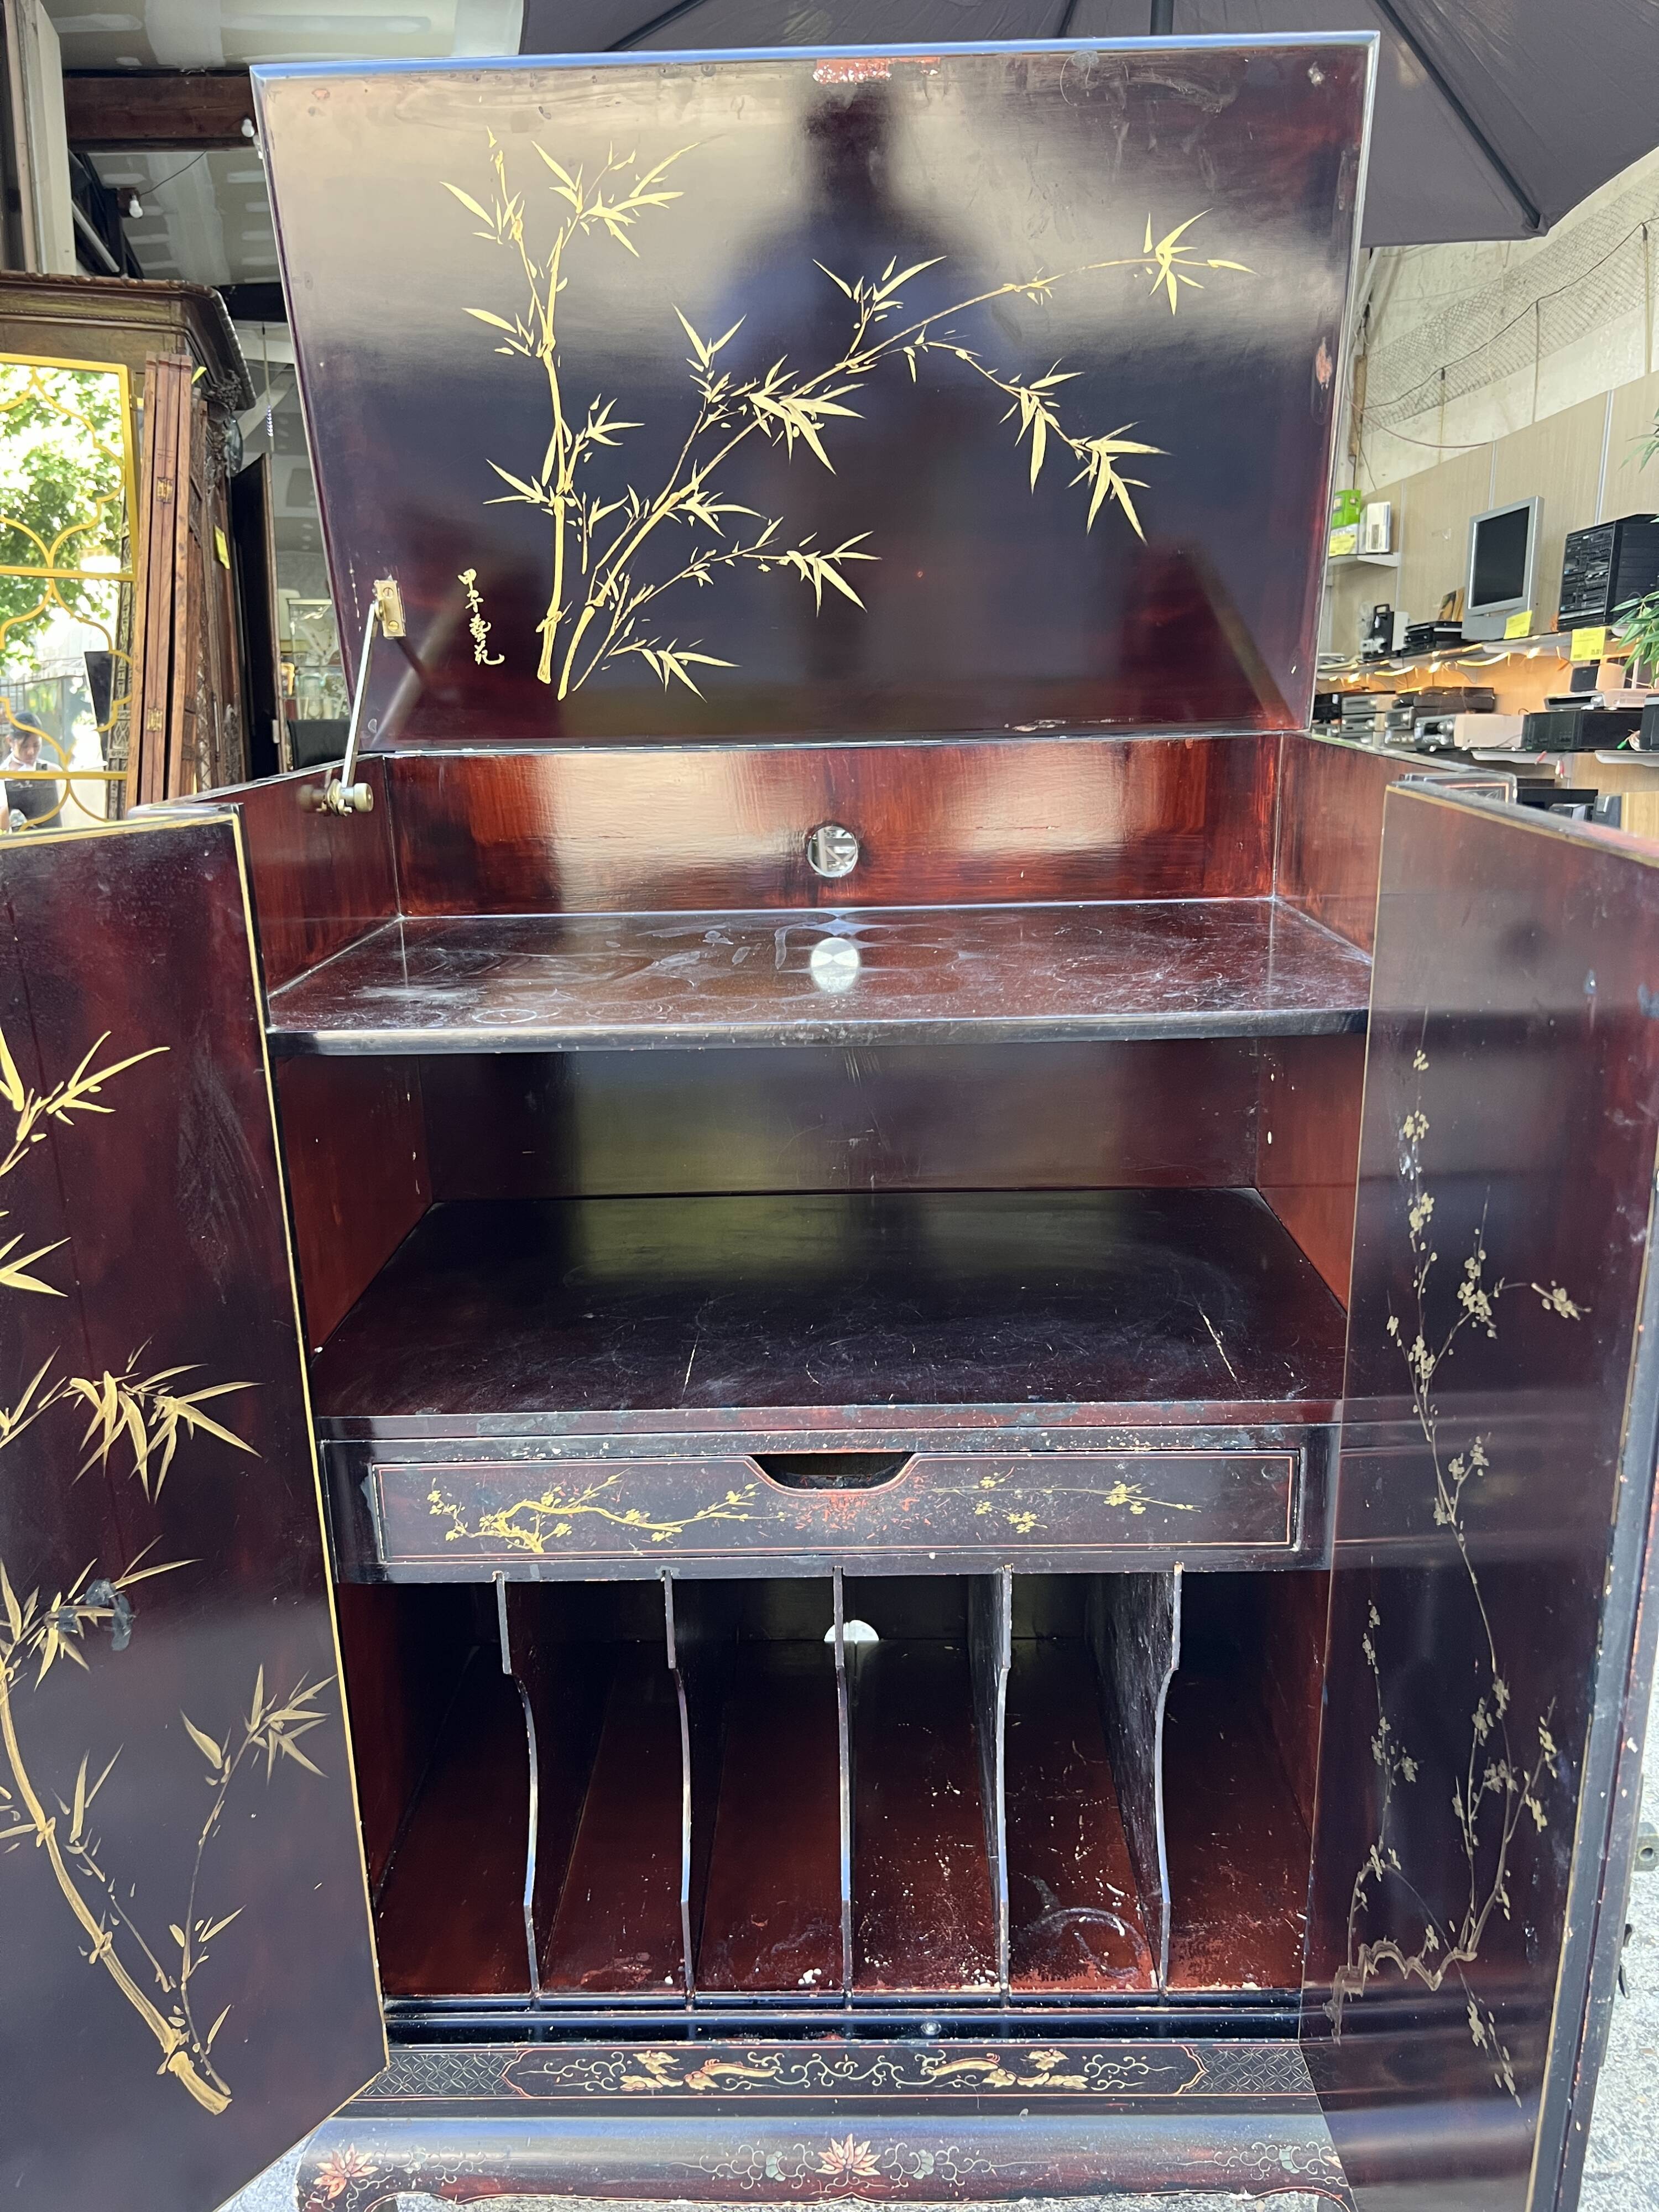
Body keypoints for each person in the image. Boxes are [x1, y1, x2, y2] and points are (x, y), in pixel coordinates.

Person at [2, 726, 61, 828]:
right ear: (10, 741)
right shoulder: (2, 775)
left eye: (36, 745)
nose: (31, 752)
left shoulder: (53, 772)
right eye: (24, 746)